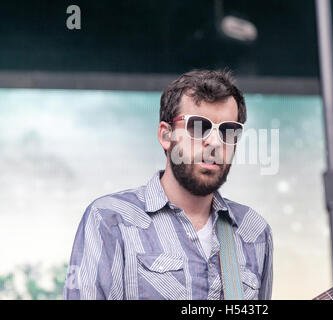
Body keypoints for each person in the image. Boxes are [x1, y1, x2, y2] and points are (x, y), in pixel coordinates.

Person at [63, 69, 273, 300]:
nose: (215, 142)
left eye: (229, 131)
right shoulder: (110, 219)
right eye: (198, 126)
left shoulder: (254, 232)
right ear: (166, 135)